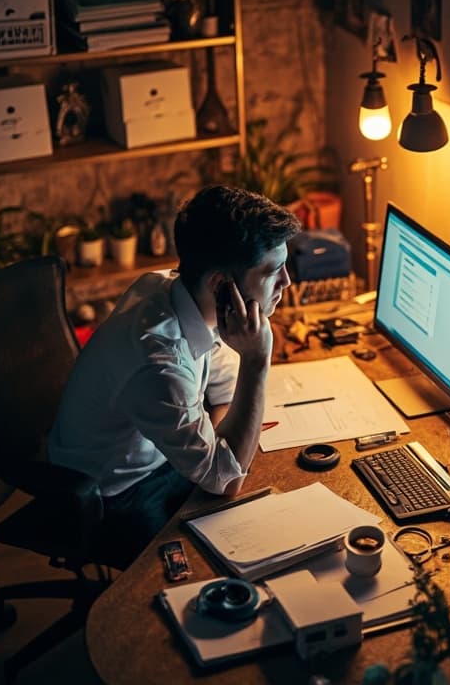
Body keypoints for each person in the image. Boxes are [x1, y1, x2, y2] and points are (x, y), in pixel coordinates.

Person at [49, 185, 302, 568]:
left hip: (159, 459)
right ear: (222, 285)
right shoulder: (158, 361)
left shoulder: (177, 289)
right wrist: (256, 360)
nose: (287, 282)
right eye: (271, 271)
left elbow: (223, 391)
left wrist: (223, 443)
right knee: (222, 562)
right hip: (116, 492)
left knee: (272, 486)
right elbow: (225, 480)